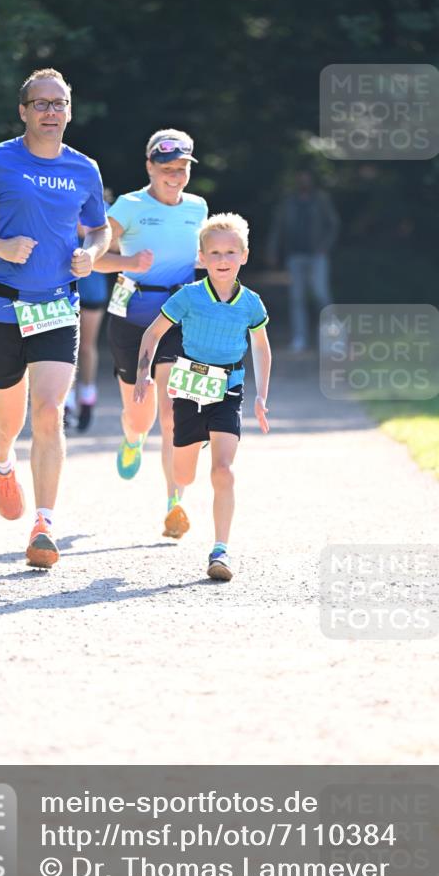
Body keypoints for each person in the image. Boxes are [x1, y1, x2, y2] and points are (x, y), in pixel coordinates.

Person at [0, 68, 110, 568]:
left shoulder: (85, 169)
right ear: (24, 111)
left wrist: (92, 255)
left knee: (50, 411)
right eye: (42, 104)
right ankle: (2, 460)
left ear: (70, 110)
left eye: (60, 103)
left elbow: (98, 231)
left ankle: (44, 526)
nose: (52, 112)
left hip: (57, 303)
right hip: (1, 304)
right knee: (8, 420)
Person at [133, 213, 271, 582]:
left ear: (244, 255)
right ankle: (178, 494)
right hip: (189, 388)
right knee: (184, 474)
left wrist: (261, 397)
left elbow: (261, 346)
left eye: (230, 252)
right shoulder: (189, 296)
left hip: (229, 389)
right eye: (214, 253)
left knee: (223, 471)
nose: (223, 260)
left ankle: (221, 550)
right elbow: (153, 333)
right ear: (202, 257)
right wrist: (144, 372)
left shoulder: (251, 303)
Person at [93, 129, 208, 539]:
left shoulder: (198, 207)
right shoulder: (129, 206)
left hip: (178, 318)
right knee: (140, 416)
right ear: (150, 167)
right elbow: (93, 259)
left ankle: (174, 503)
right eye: (167, 169)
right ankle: (131, 437)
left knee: (174, 415)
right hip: (133, 316)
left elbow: (199, 254)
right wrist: (129, 261)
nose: (175, 177)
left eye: (182, 169)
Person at [267, 171, 340, 353]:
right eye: (300, 178)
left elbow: (333, 224)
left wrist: (325, 246)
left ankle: (333, 339)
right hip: (295, 255)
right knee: (296, 297)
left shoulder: (321, 199)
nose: (303, 181)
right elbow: (279, 227)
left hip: (317, 255)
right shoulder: (289, 201)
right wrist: (273, 250)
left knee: (321, 294)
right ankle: (300, 338)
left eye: (306, 178)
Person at [64, 188, 114, 434]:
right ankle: (66, 401)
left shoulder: (101, 207)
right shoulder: (57, 199)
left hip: (92, 285)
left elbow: (96, 235)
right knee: (65, 345)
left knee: (86, 345)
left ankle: (87, 396)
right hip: (62, 284)